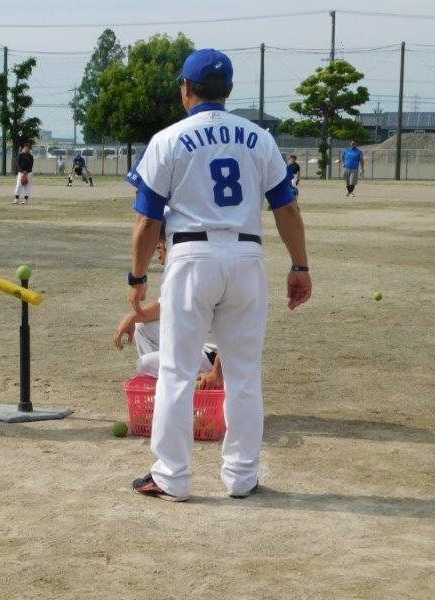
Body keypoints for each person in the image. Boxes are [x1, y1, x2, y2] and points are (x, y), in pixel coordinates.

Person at [126, 48, 311, 502]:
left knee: (176, 370)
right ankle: (242, 476)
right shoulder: (260, 138)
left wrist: (137, 277)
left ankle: (172, 476)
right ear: (227, 91)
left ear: (186, 88)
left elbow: (148, 220)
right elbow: (287, 209)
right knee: (244, 373)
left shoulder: (168, 139)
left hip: (192, 256)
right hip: (247, 255)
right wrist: (300, 265)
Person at [114, 222, 223, 389]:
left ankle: (184, 386)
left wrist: (217, 372)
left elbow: (234, 330)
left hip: (214, 357)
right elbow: (163, 307)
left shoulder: (201, 271)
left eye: (163, 240)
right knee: (143, 328)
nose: (158, 246)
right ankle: (166, 385)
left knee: (144, 364)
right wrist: (133, 317)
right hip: (196, 344)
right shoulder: (182, 268)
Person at [13, 140, 35, 204]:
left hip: (29, 173)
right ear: (24, 147)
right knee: (19, 185)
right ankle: (16, 199)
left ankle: (25, 199)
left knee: (27, 185)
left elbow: (31, 165)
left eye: (29, 148)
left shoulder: (30, 156)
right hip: (21, 172)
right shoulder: (20, 155)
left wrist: (26, 172)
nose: (28, 149)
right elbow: (18, 164)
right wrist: (22, 171)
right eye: (27, 148)